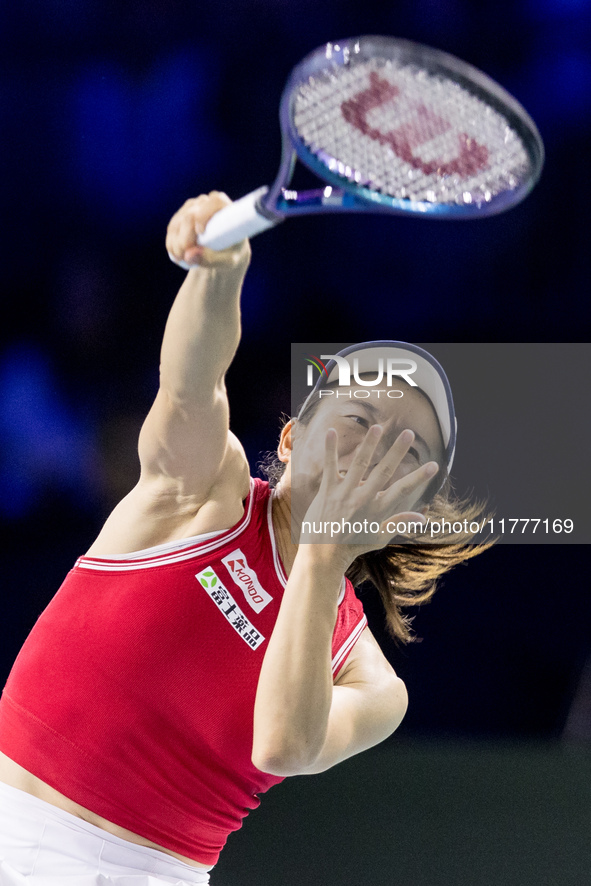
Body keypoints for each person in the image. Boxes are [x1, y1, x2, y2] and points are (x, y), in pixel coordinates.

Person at [0, 192, 489, 885]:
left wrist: (323, 552)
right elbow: (191, 384)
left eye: (402, 450)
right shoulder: (205, 489)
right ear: (289, 439)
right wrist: (219, 268)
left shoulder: (370, 680)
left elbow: (284, 746)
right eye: (357, 417)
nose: (369, 451)